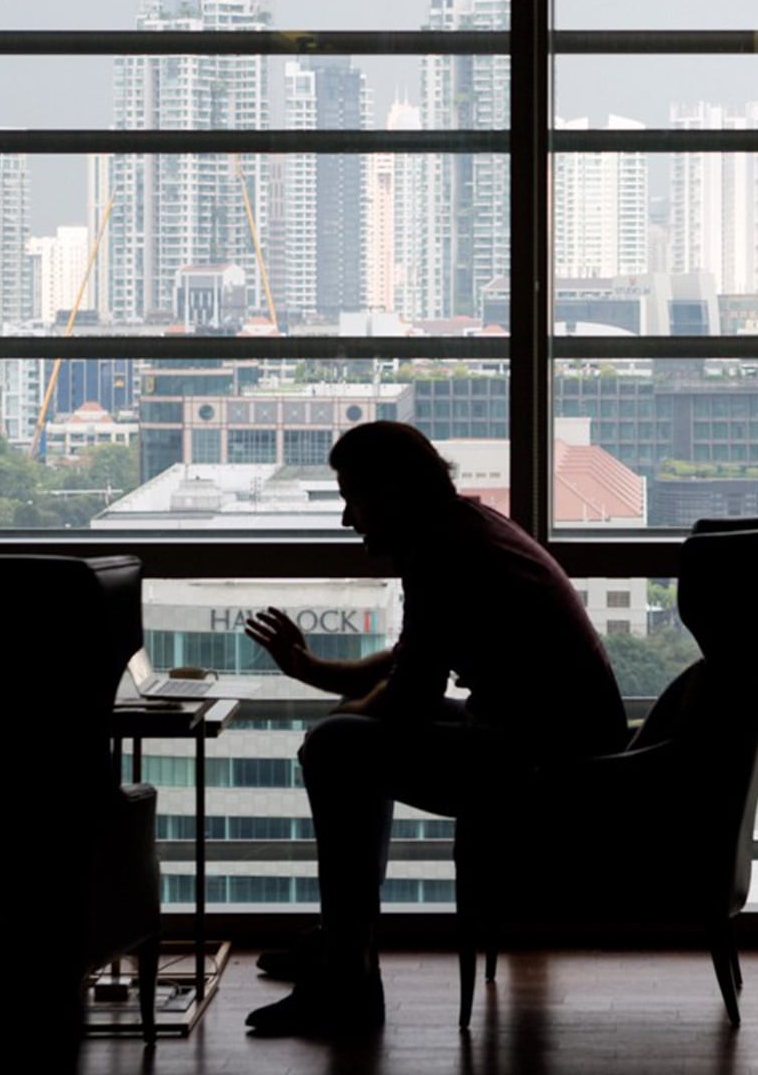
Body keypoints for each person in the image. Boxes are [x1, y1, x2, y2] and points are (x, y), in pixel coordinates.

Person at [239, 422, 629, 1037]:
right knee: (343, 741)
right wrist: (315, 674)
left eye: (354, 500)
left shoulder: (443, 552)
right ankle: (346, 946)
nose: (348, 520)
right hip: (553, 743)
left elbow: (409, 694)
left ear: (391, 492)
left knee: (339, 749)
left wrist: (336, 725)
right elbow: (409, 662)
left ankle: (348, 975)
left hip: (550, 766)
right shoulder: (461, 530)